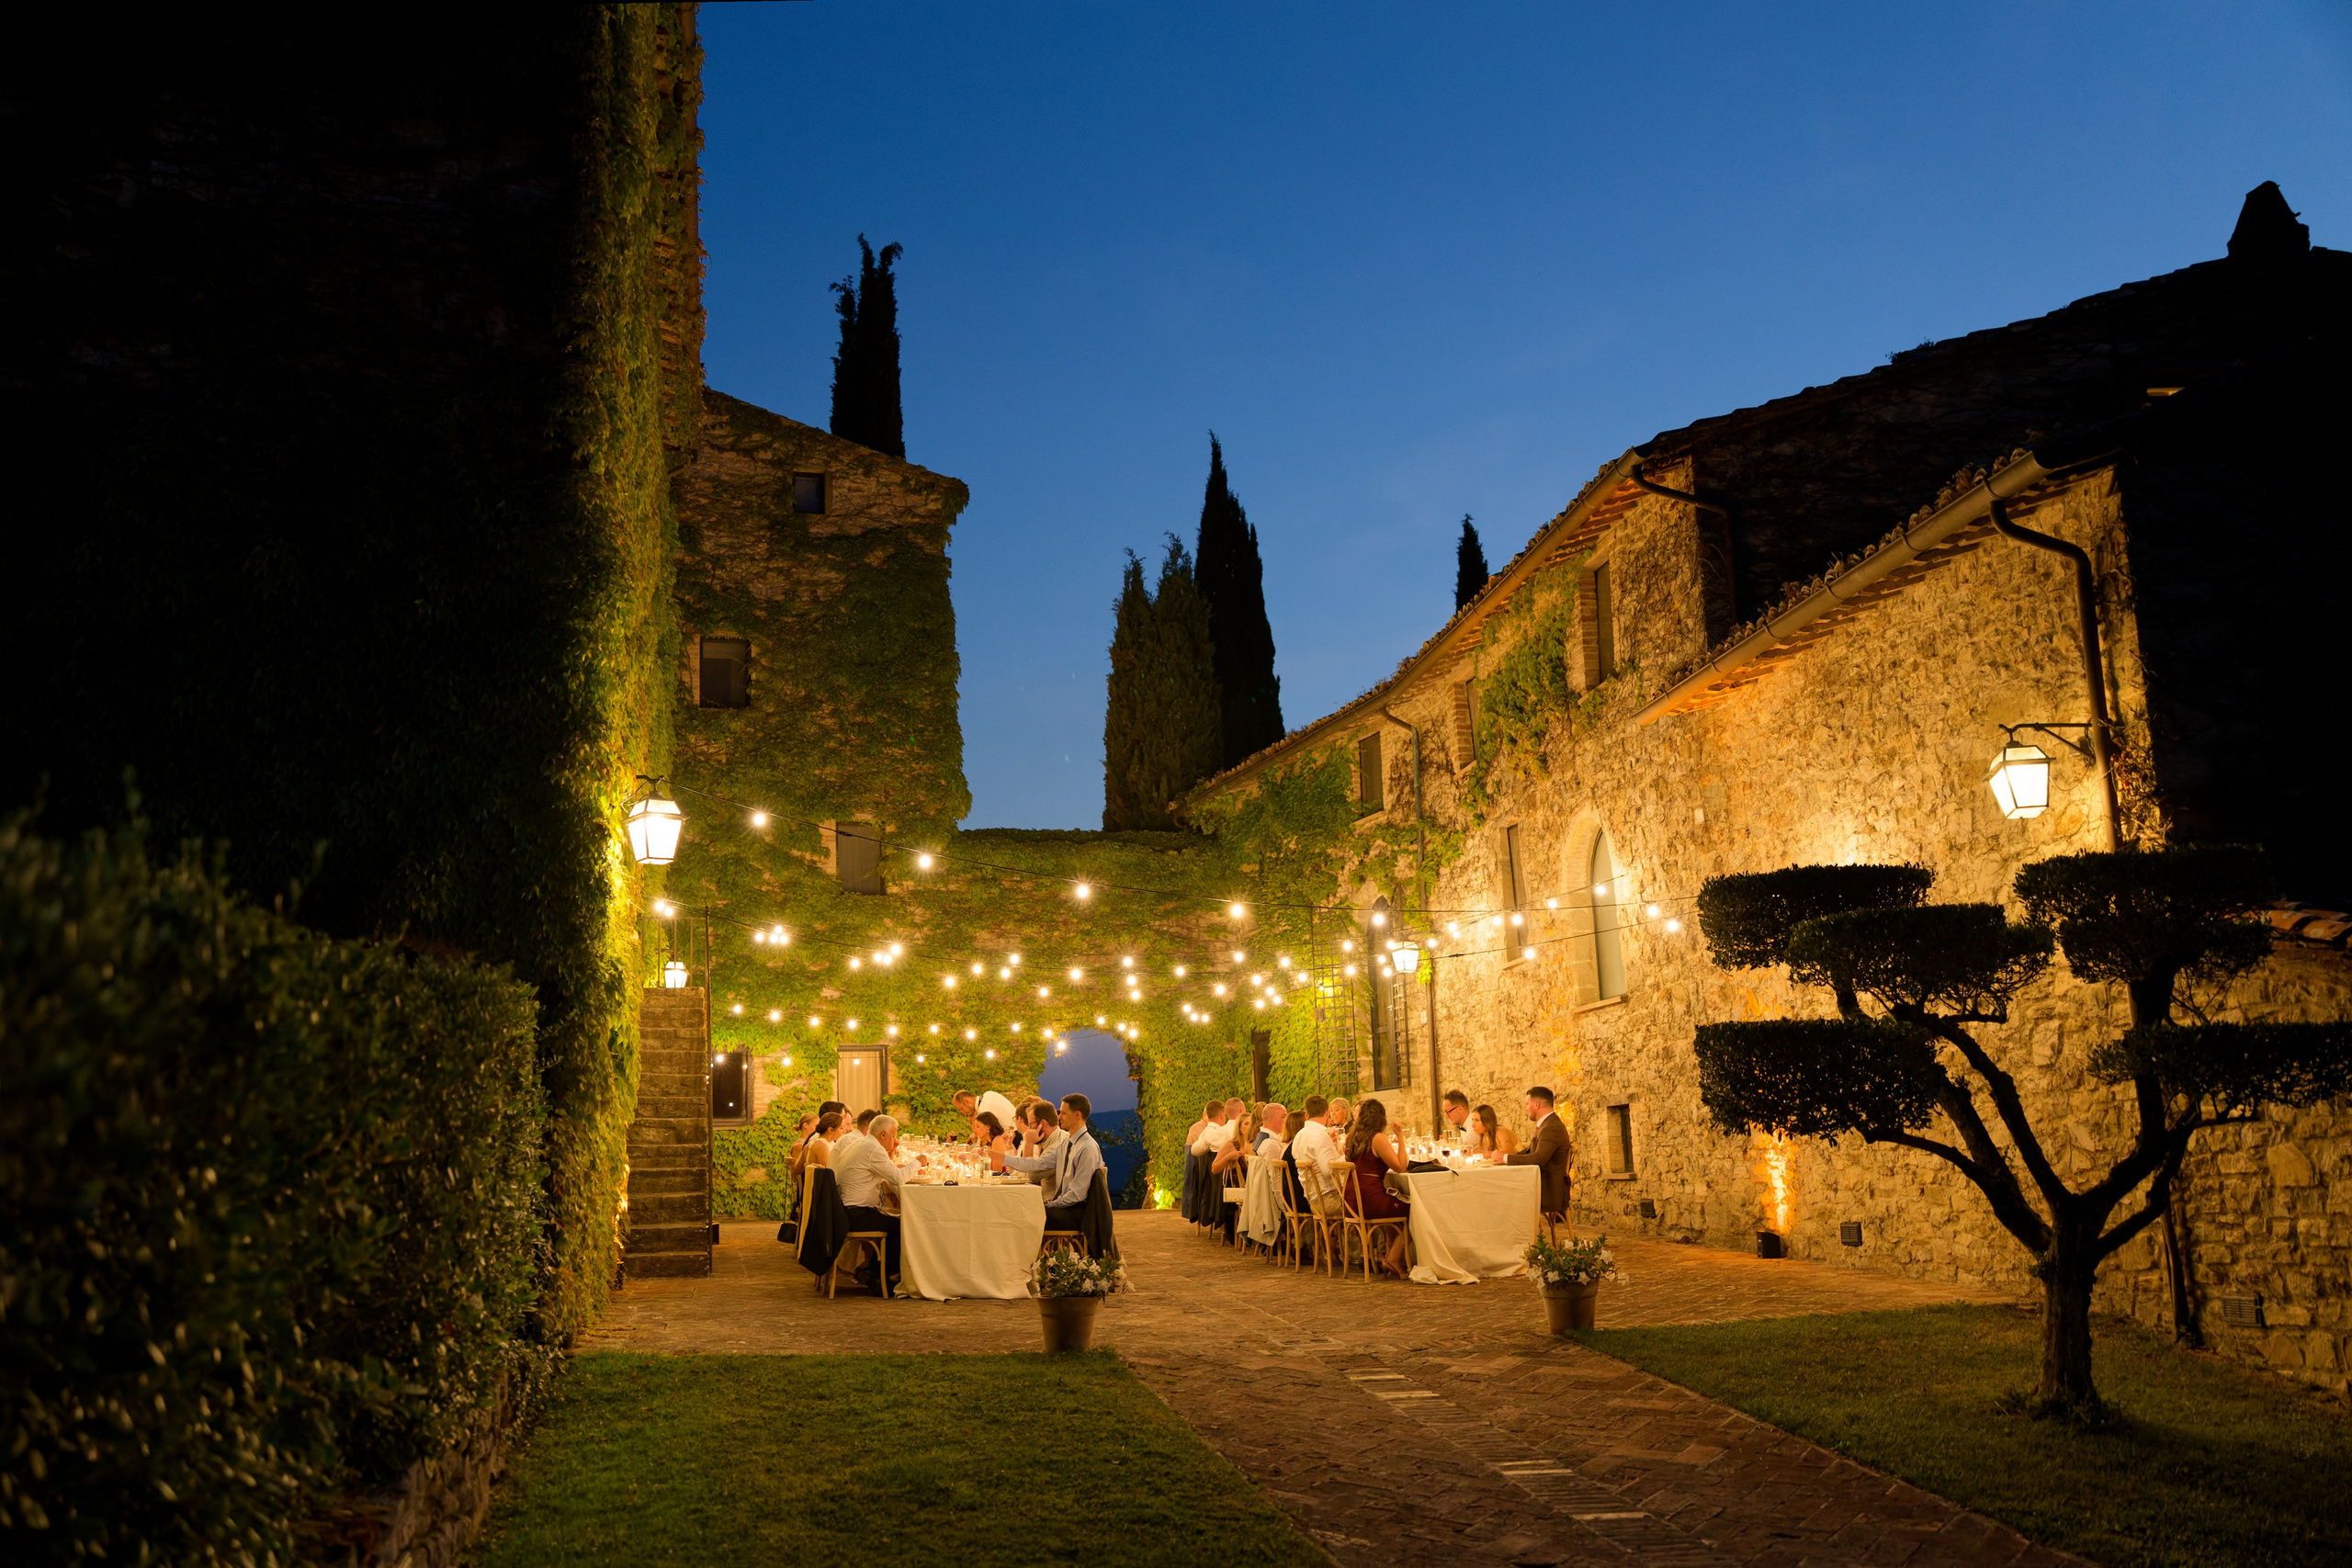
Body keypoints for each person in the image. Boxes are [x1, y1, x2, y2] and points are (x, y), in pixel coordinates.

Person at [991, 1093, 1103, 1230]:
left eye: (1063, 1113)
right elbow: (1037, 1165)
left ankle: (1031, 1251)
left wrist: (1050, 1205)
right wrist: (1001, 1158)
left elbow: (1077, 1195)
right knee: (1018, 1214)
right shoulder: (1067, 1144)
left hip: (1078, 1213)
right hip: (1066, 1208)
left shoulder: (1087, 1148)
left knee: (1023, 1217)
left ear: (1077, 1115)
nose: (1059, 1117)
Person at [831, 1111, 907, 1292]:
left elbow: (886, 1170)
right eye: (894, 1135)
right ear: (883, 1134)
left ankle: (871, 1270)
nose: (894, 1139)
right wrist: (919, 1162)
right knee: (904, 1225)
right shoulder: (872, 1149)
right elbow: (898, 1178)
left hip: (845, 1210)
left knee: (895, 1221)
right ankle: (882, 1277)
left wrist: (891, 1153)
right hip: (856, 1214)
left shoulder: (861, 1144)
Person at [1344, 1099, 1412, 1278]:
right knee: (1416, 1210)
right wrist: (1401, 1137)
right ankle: (1394, 1259)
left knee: (1395, 1208)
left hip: (1351, 1200)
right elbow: (1401, 1167)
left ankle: (1390, 1257)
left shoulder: (1352, 1137)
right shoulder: (1377, 1138)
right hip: (1369, 1201)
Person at [1502, 1085, 1572, 1225]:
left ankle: (1520, 1241)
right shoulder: (1546, 1124)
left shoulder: (1551, 1127)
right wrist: (1502, 1158)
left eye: (1527, 1104)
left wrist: (1505, 1158)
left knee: (1502, 1194)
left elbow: (1539, 1158)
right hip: (1542, 1184)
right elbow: (1529, 1151)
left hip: (1549, 1190)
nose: (1526, 1108)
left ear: (1537, 1104)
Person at [1289, 1094, 1345, 1220]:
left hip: (1312, 1198)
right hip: (1327, 1200)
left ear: (1306, 1114)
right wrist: (1346, 1155)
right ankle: (1368, 1239)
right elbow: (1328, 1171)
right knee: (1367, 1205)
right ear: (1326, 1112)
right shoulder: (1320, 1135)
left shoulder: (1299, 1135)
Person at [1013, 1100, 1069, 1202]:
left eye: (1031, 1125)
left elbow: (1030, 1176)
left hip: (1053, 1207)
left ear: (1042, 1124)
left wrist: (1028, 1143)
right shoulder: (1055, 1139)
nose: (1029, 1129)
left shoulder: (1057, 1145)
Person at [955, 1088, 1020, 1140]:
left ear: (967, 1102)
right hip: (1018, 1128)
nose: (963, 1113)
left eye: (961, 1109)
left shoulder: (983, 1112)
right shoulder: (988, 1094)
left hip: (1013, 1137)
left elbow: (985, 1138)